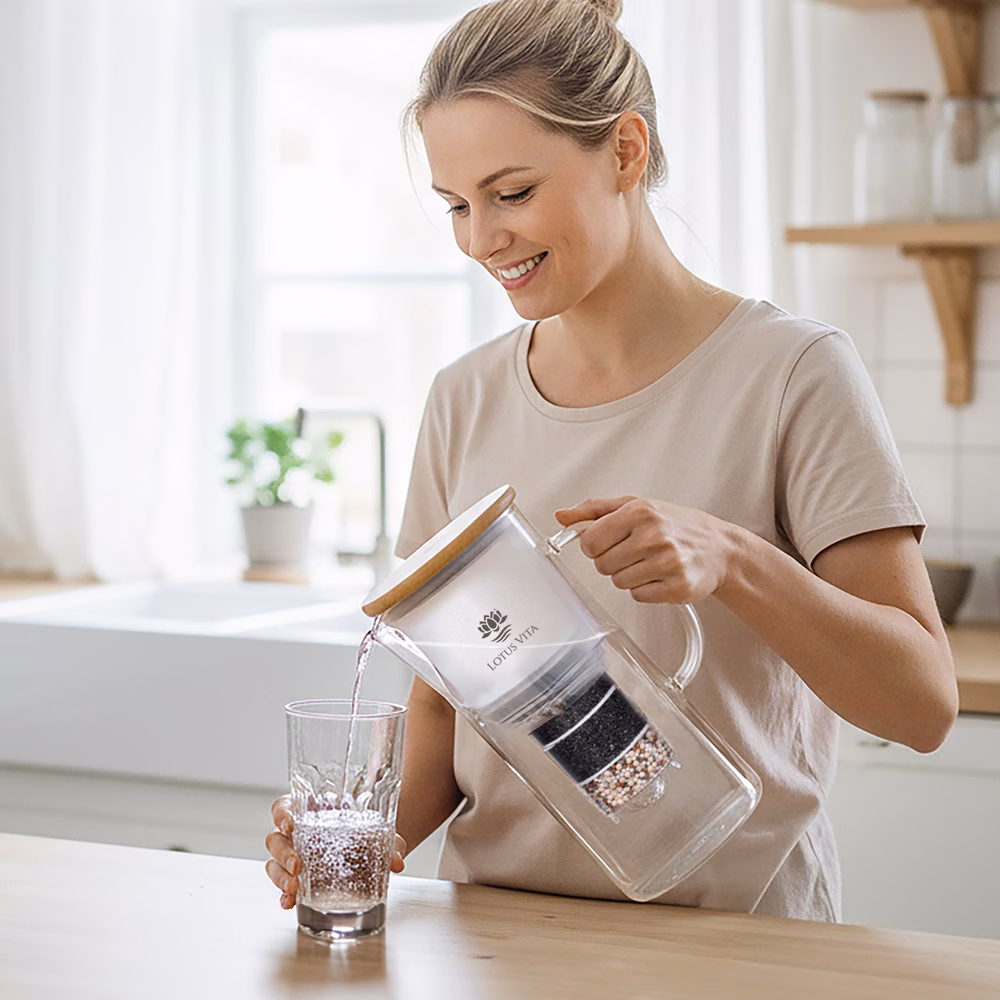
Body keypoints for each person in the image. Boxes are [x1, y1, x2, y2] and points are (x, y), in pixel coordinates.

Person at [265, 0, 957, 921]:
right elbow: (443, 709)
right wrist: (366, 832)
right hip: (500, 947)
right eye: (456, 207)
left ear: (626, 152)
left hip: (738, 948)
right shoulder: (461, 398)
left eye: (511, 194)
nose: (480, 239)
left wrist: (735, 559)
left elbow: (922, 704)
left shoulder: (793, 373)